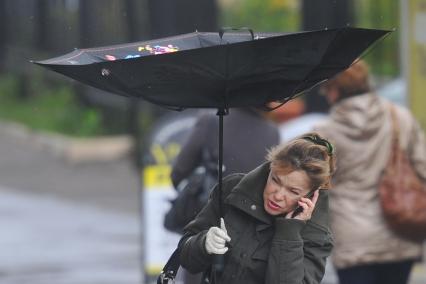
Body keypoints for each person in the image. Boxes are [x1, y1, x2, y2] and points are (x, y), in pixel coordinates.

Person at [315, 60, 426, 284]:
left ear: (335, 91)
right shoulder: (400, 117)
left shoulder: (325, 133)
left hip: (353, 237)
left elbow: (316, 184)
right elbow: (422, 166)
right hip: (400, 229)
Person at [178, 133, 336, 284]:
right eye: (275, 180)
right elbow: (185, 257)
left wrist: (289, 232)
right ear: (270, 168)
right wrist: (203, 243)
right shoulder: (232, 190)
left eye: (293, 191)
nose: (278, 195)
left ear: (311, 195)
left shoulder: (316, 234)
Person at [170, 107, 280, 284]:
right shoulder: (272, 131)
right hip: (253, 224)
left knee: (198, 268)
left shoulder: (210, 120)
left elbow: (179, 170)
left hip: (208, 213)